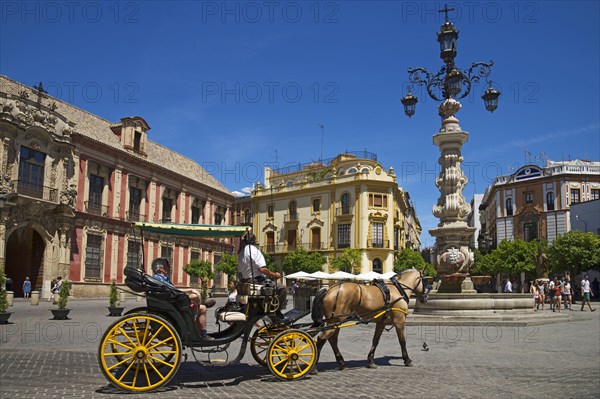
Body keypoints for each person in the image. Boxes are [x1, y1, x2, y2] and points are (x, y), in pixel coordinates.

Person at [151, 258, 215, 339]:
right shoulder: (159, 278)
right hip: (173, 305)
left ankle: (201, 334)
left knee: (203, 308)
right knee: (194, 297)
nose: (168, 269)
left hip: (172, 302)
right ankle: (195, 320)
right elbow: (172, 290)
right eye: (166, 267)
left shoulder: (160, 278)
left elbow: (172, 290)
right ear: (161, 269)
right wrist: (190, 290)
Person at [237, 233, 287, 319]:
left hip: (245, 281)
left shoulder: (241, 253)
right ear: (254, 241)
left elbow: (240, 271)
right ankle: (276, 311)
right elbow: (262, 269)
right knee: (282, 288)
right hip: (255, 280)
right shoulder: (255, 251)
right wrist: (274, 274)